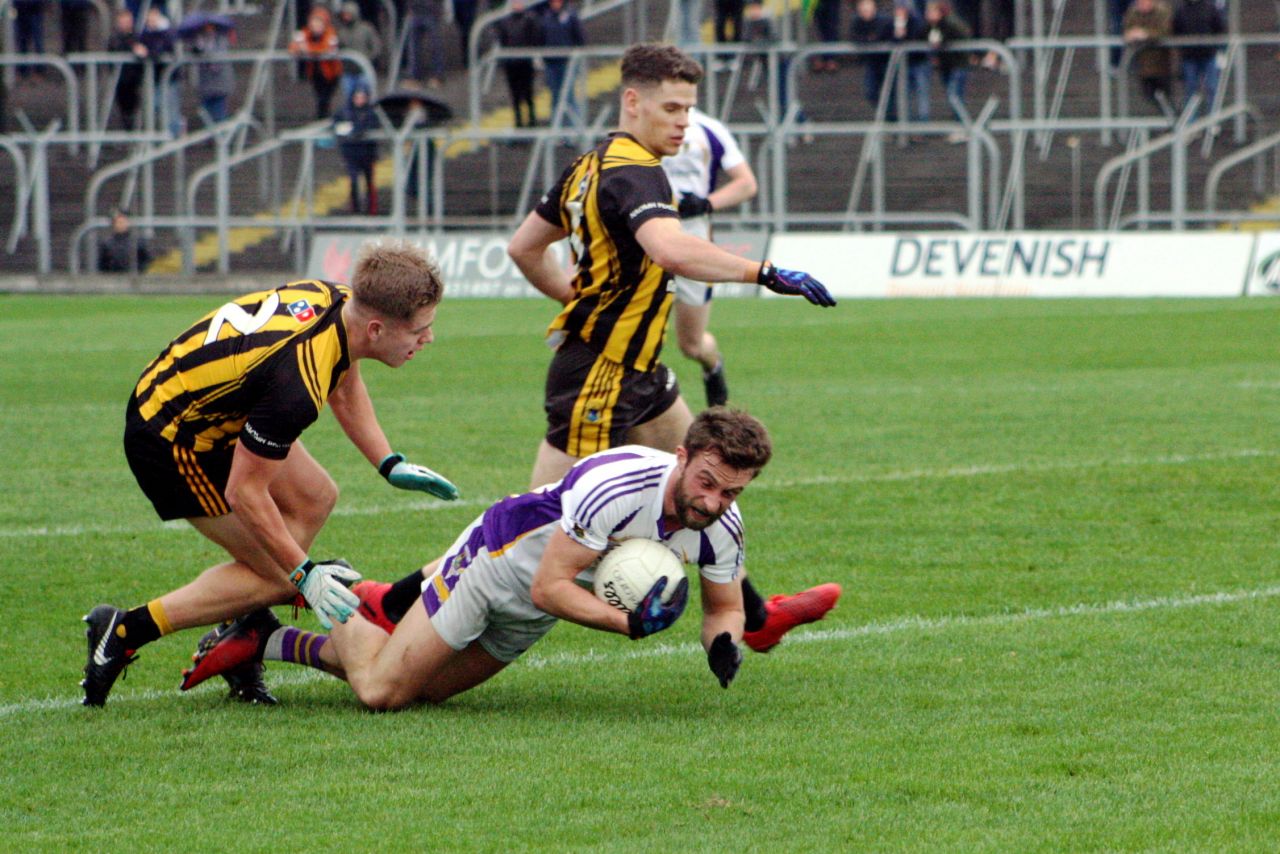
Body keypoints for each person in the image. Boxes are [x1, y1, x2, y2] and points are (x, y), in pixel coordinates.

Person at [506, 43, 839, 651]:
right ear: (632, 101)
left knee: (704, 480)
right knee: (530, 528)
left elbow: (524, 247)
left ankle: (755, 618)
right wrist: (764, 272)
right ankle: (397, 603)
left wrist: (574, 297)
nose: (684, 121)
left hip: (639, 370)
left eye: (690, 108)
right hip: (599, 373)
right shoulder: (636, 172)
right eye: (672, 107)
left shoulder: (590, 164)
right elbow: (672, 250)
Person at [181, 409, 843, 709]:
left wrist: (722, 644)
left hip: (539, 605)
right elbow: (555, 585)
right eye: (707, 482)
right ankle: (332, 593)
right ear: (682, 457)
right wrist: (627, 624)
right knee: (382, 692)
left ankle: (264, 636)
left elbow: (724, 607)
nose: (714, 500)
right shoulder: (616, 489)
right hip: (498, 560)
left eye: (731, 491)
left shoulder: (722, 522)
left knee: (427, 693)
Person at [79, 240, 461, 708]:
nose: (428, 339)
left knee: (316, 497)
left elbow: (344, 382)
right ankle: (123, 629)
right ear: (378, 328)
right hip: (171, 437)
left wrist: (389, 462)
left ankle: (245, 625)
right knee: (281, 573)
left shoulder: (340, 302)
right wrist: (304, 576)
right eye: (420, 330)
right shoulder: (294, 387)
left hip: (213, 408)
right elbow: (245, 493)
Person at [660, 106, 758, 408]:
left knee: (691, 344)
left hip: (693, 240)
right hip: (645, 239)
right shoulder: (639, 129)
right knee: (638, 332)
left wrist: (705, 204)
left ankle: (712, 365)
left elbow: (746, 184)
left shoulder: (708, 128)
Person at [924, 0, 973, 141]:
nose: (928, 15)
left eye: (932, 11)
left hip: (958, 65)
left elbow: (960, 35)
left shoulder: (951, 23)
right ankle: (960, 126)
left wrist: (941, 42)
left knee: (954, 96)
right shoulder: (931, 26)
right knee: (953, 96)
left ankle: (965, 127)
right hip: (946, 66)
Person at [332, 82, 380, 214]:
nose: (360, 100)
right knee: (353, 181)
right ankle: (355, 209)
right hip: (351, 153)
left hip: (368, 153)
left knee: (370, 182)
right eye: (357, 97)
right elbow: (337, 126)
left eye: (363, 97)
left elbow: (374, 125)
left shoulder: (372, 113)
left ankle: (372, 210)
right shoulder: (343, 112)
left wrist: (360, 130)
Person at [1172, 0, 1225, 119]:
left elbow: (1219, 28)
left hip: (1208, 55)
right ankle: (1191, 122)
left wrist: (1215, 47)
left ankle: (1213, 120)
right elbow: (1176, 29)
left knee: (1212, 87)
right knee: (1190, 89)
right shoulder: (1181, 10)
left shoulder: (1210, 8)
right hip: (1189, 57)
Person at [290, 5, 343, 119]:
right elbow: (293, 47)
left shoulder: (330, 33)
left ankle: (323, 117)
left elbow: (325, 48)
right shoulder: (306, 32)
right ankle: (322, 117)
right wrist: (300, 48)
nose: (316, 26)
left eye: (319, 23)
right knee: (319, 97)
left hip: (330, 74)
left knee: (325, 98)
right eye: (314, 22)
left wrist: (308, 49)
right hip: (315, 73)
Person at [496, 0, 543, 129]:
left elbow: (535, 38)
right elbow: (503, 41)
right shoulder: (505, 22)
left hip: (525, 62)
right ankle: (519, 123)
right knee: (515, 95)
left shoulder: (529, 19)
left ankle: (532, 121)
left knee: (528, 94)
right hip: (512, 64)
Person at [1123, 0, 1174, 115]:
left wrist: (1145, 34)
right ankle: (1167, 118)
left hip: (1161, 64)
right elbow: (1127, 28)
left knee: (1164, 95)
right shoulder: (1133, 13)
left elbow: (1165, 31)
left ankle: (1171, 119)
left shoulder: (1162, 12)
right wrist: (1130, 35)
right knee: (1149, 94)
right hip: (1143, 64)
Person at [541, 0, 586, 128]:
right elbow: (541, 38)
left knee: (569, 97)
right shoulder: (546, 17)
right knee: (555, 97)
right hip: (551, 63)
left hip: (567, 62)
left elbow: (580, 37)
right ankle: (557, 131)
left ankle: (574, 130)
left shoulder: (570, 15)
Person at [334, 0, 383, 104]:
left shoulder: (366, 29)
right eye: (344, 14)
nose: (346, 17)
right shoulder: (341, 32)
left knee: (366, 97)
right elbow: (337, 49)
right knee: (348, 98)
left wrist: (367, 59)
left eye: (348, 14)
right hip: (348, 72)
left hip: (363, 71)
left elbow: (376, 47)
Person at [851, 0, 894, 115]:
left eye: (868, 6)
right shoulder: (857, 21)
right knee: (870, 92)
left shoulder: (884, 20)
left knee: (890, 93)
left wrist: (871, 39)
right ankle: (887, 117)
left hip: (887, 61)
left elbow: (883, 36)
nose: (865, 9)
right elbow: (855, 38)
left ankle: (892, 119)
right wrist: (869, 40)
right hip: (871, 63)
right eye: (862, 6)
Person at [106, 8, 145, 130]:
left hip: (134, 78)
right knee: (123, 106)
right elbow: (113, 50)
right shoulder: (114, 38)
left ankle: (134, 128)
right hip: (120, 78)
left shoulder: (137, 36)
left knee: (134, 105)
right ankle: (127, 127)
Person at [191, 21, 235, 125]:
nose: (207, 29)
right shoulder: (198, 40)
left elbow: (218, 56)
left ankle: (221, 137)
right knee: (205, 115)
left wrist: (203, 52)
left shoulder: (221, 39)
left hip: (219, 84)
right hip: (205, 84)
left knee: (219, 114)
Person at [406, 0, 446, 88]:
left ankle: (437, 75)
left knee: (435, 44)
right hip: (415, 10)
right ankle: (414, 75)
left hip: (431, 10)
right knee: (414, 46)